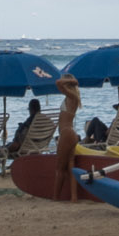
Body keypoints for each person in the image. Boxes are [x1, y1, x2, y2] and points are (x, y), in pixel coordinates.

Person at [52, 76, 82, 204]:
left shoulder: (71, 97)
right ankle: (74, 197)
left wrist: (72, 81)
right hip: (70, 133)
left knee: (60, 168)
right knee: (70, 166)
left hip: (66, 133)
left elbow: (58, 83)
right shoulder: (73, 98)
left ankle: (56, 197)